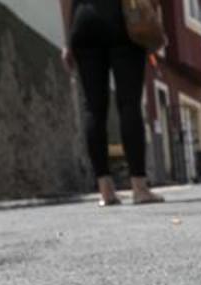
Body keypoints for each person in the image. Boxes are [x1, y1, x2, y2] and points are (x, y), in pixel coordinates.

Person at [62, 0, 164, 206]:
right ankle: (139, 188)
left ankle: (105, 190)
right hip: (123, 20)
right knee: (129, 105)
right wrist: (152, 23)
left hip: (84, 22)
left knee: (93, 108)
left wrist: (68, 39)